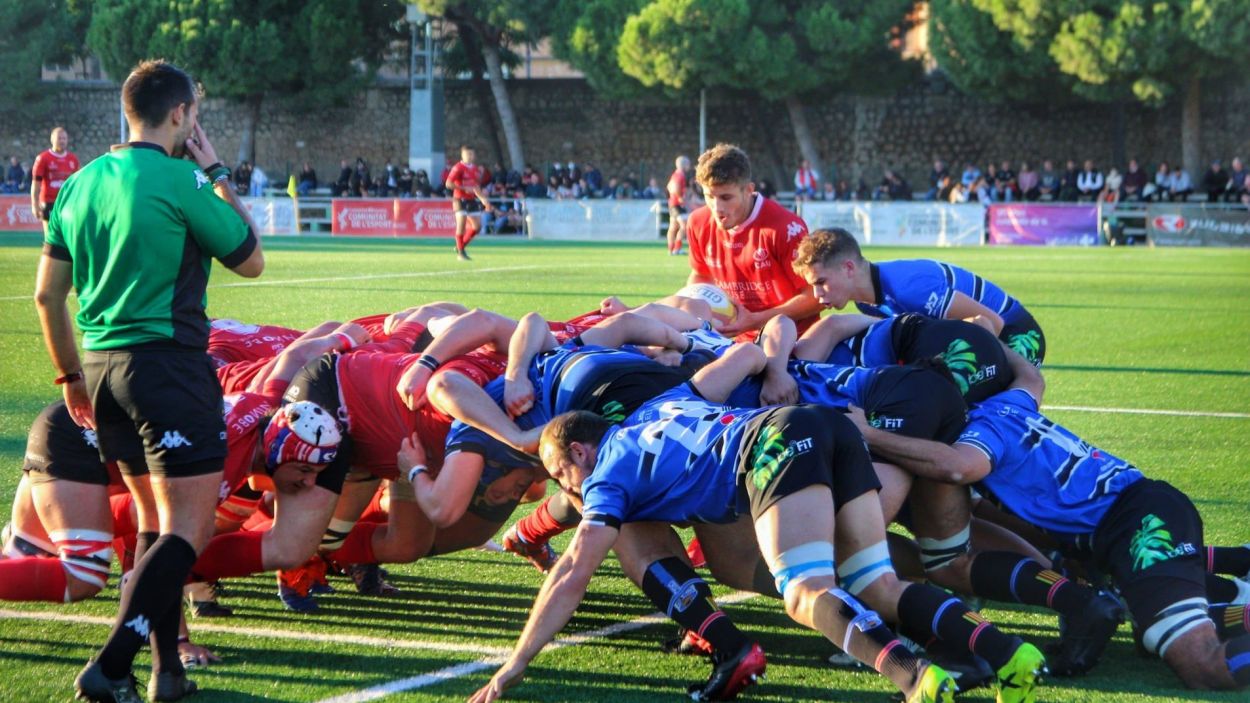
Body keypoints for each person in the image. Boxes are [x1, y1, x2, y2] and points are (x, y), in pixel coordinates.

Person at [466, 351, 1047, 703]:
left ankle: (915, 677)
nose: (563, 486)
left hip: (773, 446)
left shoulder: (605, 479)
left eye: (558, 471)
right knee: (875, 584)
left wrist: (515, 664)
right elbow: (728, 366)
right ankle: (1008, 654)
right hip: (826, 427)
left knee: (804, 592)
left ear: (581, 451)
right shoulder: (660, 405)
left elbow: (571, 571)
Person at [34, 59, 265, 703]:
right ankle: (110, 664)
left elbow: (48, 298)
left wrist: (70, 376)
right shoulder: (182, 177)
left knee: (150, 524)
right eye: (195, 111)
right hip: (166, 368)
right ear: (180, 115)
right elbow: (251, 259)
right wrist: (217, 172)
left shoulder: (77, 184)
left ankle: (169, 672)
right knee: (186, 530)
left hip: (102, 372)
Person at [849, 368, 1250, 692]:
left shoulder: (979, 433)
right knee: (1152, 626)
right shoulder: (1010, 400)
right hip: (1125, 523)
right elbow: (1030, 376)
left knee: (1202, 666)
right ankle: (1241, 578)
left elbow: (956, 467)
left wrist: (867, 433)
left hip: (1136, 524)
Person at [794, 227, 1048, 366]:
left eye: (821, 282)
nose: (816, 295)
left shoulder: (909, 287)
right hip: (990, 331)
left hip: (1018, 334)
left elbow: (992, 323)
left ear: (848, 268)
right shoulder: (865, 302)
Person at [685, 144, 823, 340]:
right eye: (709, 196)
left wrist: (756, 320)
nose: (717, 207)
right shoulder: (698, 223)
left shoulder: (785, 228)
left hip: (795, 340)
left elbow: (815, 296)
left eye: (726, 197)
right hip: (735, 340)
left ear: (748, 190)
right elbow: (701, 277)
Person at [445, 145, 495, 261]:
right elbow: (448, 183)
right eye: (468, 154)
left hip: (472, 200)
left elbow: (476, 187)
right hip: (459, 199)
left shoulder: (475, 169)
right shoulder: (458, 167)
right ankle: (461, 253)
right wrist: (463, 188)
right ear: (462, 155)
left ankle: (460, 246)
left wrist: (483, 199)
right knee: (461, 226)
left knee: (477, 227)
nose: (470, 156)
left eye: (472, 154)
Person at [30, 127, 81, 230]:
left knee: (67, 235)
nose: (62, 141)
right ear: (52, 139)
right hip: (49, 202)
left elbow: (77, 184)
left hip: (67, 202)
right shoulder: (43, 158)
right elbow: (36, 184)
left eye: (64, 138)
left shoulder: (73, 159)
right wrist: (35, 204)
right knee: (50, 236)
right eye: (59, 138)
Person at [665, 155, 691, 255]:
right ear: (684, 165)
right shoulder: (680, 175)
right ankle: (677, 248)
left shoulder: (674, 175)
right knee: (684, 226)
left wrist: (671, 197)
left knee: (673, 227)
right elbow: (675, 188)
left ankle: (671, 249)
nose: (689, 166)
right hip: (677, 204)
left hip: (672, 203)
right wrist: (680, 198)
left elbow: (668, 187)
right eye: (688, 164)